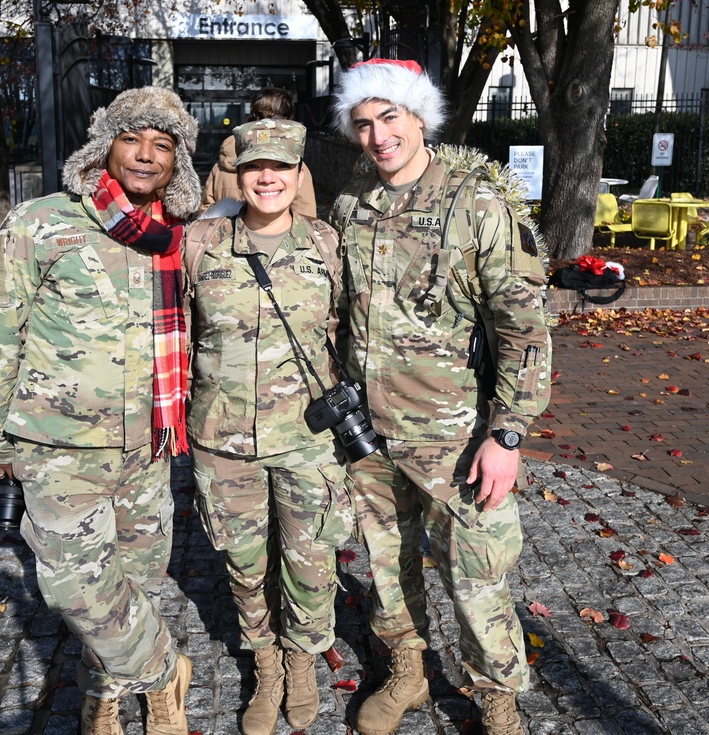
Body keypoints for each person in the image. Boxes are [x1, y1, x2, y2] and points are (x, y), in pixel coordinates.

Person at [0, 86, 200, 735]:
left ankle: (110, 694)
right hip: (59, 443)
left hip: (148, 444)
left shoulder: (176, 237)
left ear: (179, 160)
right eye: (132, 139)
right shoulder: (39, 223)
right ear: (105, 147)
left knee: (137, 580)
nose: (146, 155)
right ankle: (163, 669)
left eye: (163, 144)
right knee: (75, 587)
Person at [328, 59, 551, 735]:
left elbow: (524, 326)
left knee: (476, 574)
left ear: (419, 116)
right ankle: (409, 670)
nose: (377, 135)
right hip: (370, 432)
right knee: (387, 561)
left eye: (389, 117)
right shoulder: (351, 205)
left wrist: (507, 432)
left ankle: (496, 695)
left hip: (456, 435)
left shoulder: (476, 201)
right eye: (363, 123)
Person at [183, 119, 351, 735]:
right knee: (245, 563)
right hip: (224, 440)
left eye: (281, 167)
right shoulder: (201, 243)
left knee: (310, 561)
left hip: (308, 438)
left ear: (298, 173)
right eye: (256, 167)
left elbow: (353, 331)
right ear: (238, 173)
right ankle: (266, 664)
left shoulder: (327, 245)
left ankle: (302, 661)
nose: (267, 178)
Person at [198, 87, 317, 218]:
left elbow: (206, 212)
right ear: (288, 118)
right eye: (252, 166)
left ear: (254, 116)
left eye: (280, 166)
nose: (266, 178)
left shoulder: (221, 164)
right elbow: (306, 216)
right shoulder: (293, 166)